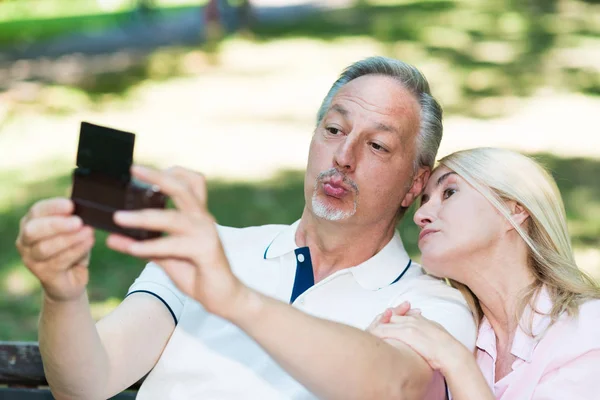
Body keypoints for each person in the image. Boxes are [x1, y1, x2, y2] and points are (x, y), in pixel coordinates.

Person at [16, 57, 476, 399]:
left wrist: (234, 299)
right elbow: (86, 383)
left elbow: (393, 385)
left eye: (376, 145)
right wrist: (63, 295)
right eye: (334, 130)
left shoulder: (433, 301)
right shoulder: (212, 251)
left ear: (414, 183)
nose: (344, 156)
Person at [368, 147, 600, 399]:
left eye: (449, 192)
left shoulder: (588, 328)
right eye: (423, 201)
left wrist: (454, 359)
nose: (420, 216)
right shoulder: (457, 331)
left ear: (514, 210)